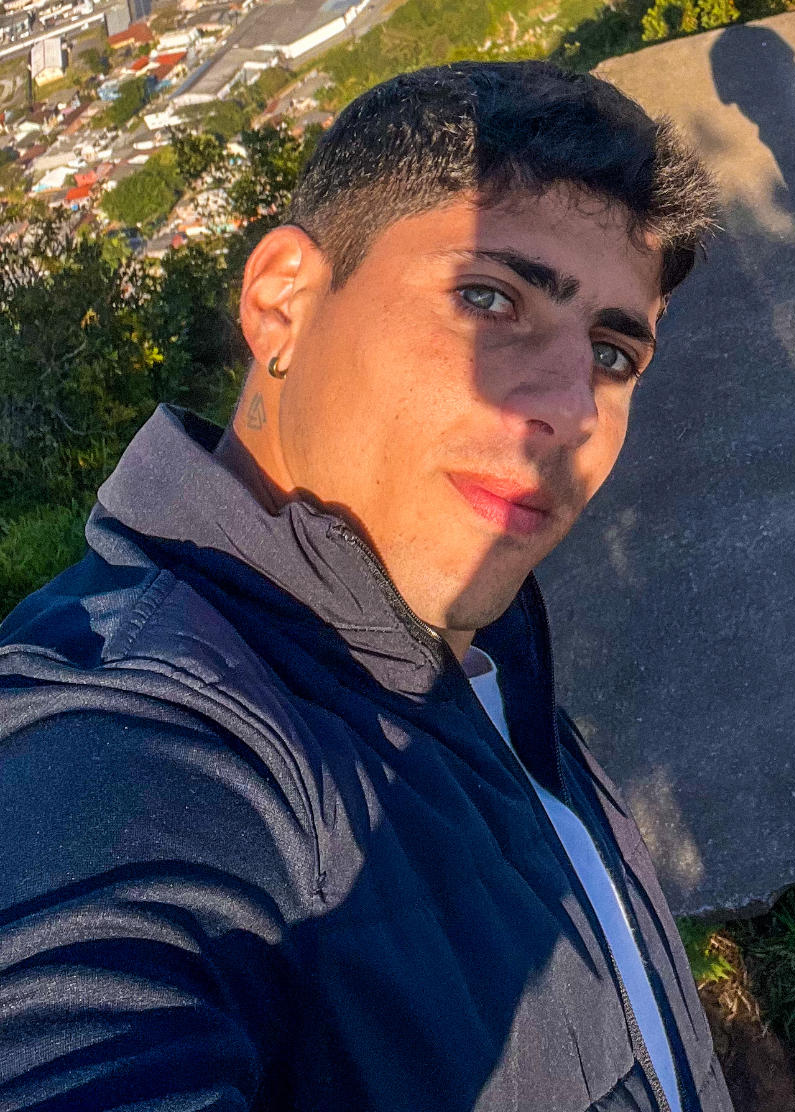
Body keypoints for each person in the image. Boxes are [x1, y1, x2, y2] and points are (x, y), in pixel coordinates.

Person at [0, 62, 732, 1112]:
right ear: (282, 301)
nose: (570, 409)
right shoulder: (123, 744)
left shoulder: (481, 659)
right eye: (491, 299)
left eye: (613, 356)